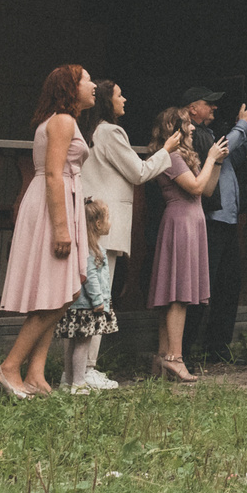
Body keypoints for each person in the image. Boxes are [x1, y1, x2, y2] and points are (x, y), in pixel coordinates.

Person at [0, 65, 94, 398]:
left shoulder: (59, 120)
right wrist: (62, 229)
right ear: (70, 87)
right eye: (86, 80)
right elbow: (53, 174)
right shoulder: (63, 121)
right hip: (55, 206)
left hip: (59, 201)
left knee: (62, 293)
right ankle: (9, 368)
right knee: (55, 296)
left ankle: (35, 373)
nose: (93, 85)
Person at [70, 78, 177, 391]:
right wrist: (167, 150)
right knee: (98, 299)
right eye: (119, 95)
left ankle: (74, 372)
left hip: (86, 217)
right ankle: (86, 369)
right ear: (107, 101)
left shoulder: (87, 130)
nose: (125, 99)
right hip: (104, 223)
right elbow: (139, 172)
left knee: (82, 301)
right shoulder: (111, 132)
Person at [150, 102, 224, 380]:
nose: (193, 127)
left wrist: (216, 162)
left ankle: (162, 358)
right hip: (180, 223)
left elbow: (206, 190)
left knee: (175, 294)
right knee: (178, 295)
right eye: (187, 123)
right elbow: (194, 187)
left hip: (190, 222)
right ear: (175, 128)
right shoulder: (170, 157)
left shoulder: (180, 157)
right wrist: (209, 158)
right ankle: (175, 358)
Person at [181, 89, 247, 366]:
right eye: (207, 103)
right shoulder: (193, 134)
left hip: (227, 221)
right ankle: (185, 351)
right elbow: (221, 151)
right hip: (209, 222)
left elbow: (232, 158)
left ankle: (218, 348)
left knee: (229, 285)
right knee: (200, 289)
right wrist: (242, 125)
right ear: (191, 108)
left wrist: (245, 133)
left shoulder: (212, 134)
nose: (214, 108)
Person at [60, 198, 120, 392]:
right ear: (98, 224)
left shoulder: (85, 248)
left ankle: (68, 380)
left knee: (72, 344)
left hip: (76, 306)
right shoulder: (92, 251)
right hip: (87, 306)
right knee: (82, 344)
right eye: (108, 218)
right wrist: (98, 301)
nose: (110, 223)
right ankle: (78, 383)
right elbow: (89, 278)